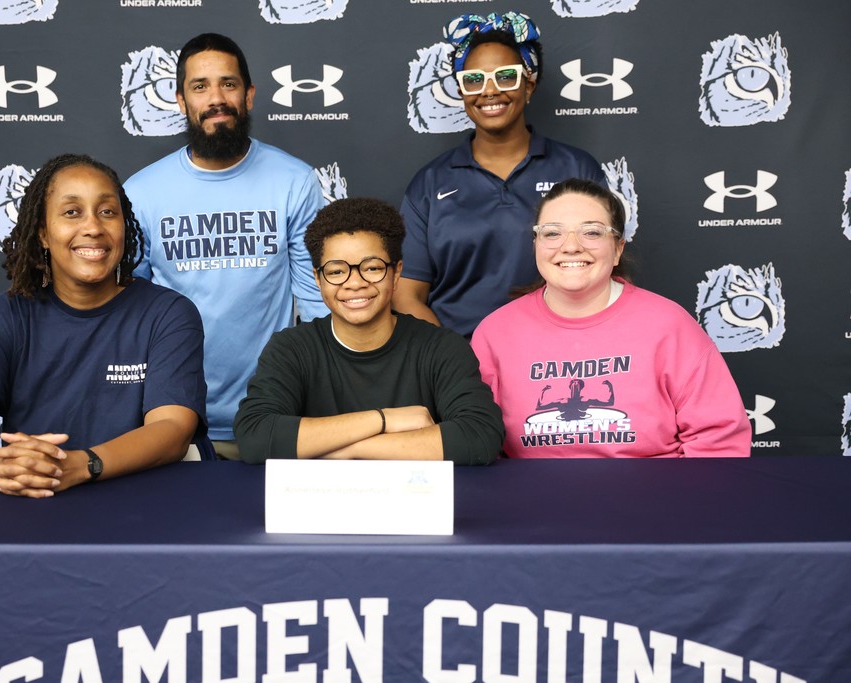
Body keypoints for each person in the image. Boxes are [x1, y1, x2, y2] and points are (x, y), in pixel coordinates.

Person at [0, 153, 210, 498]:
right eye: (72, 212)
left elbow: (172, 429)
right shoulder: (1, 319)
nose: (93, 227)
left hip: (148, 500)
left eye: (107, 212)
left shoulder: (168, 314)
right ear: (43, 233)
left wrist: (85, 464)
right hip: (38, 500)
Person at [125, 33, 328, 460]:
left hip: (274, 416)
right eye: (200, 87)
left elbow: (318, 303)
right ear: (181, 100)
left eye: (228, 84)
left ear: (249, 95)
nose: (216, 98)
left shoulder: (294, 181)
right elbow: (127, 312)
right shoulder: (142, 193)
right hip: (173, 421)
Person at [470, 178, 752, 458]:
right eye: (552, 233)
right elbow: (474, 439)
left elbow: (719, 440)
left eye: (591, 232)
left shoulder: (669, 325)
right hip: (533, 500)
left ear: (617, 248)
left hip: (653, 499)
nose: (570, 247)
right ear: (536, 245)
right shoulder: (495, 333)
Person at [234, 198, 504, 465]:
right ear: (318, 280)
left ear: (396, 273)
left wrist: (347, 450)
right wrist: (384, 419)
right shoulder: (292, 349)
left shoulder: (440, 347)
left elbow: (479, 436)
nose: (355, 283)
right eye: (336, 271)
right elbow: (255, 437)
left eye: (372, 268)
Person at [396, 11, 607, 337]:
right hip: (460, 368)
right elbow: (407, 294)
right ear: (461, 91)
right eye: (474, 80)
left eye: (506, 76)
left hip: (561, 360)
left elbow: (603, 274)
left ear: (529, 85)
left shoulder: (576, 169)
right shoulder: (430, 183)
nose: (489, 91)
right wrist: (454, 364)